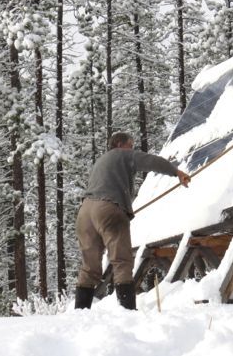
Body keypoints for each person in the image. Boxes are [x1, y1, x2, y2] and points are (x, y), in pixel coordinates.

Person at [74, 132, 191, 310]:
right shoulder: (123, 154)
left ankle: (80, 312)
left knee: (89, 267)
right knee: (121, 261)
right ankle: (127, 312)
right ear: (120, 144)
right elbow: (151, 161)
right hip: (108, 209)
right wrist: (176, 172)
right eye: (131, 145)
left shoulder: (101, 161)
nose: (133, 149)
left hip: (85, 212)